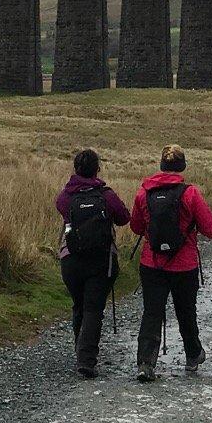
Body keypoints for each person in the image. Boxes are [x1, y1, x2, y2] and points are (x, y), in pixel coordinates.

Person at [129, 145, 212, 382]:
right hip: (184, 264)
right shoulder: (190, 193)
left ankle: (146, 363)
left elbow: (136, 227)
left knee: (152, 312)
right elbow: (210, 229)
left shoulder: (143, 193)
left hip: (152, 263)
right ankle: (192, 355)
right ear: (182, 167)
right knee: (186, 311)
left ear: (161, 165)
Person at [55, 149, 129, 377]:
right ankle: (86, 360)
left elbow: (60, 207)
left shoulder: (66, 196)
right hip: (101, 260)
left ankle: (81, 351)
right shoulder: (105, 195)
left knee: (79, 304)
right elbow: (124, 217)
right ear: (98, 169)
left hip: (71, 260)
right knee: (93, 308)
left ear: (76, 169)